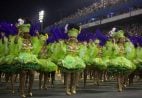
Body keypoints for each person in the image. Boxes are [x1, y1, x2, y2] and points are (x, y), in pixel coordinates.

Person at [61, 24, 85, 95]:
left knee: (75, 75)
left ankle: (73, 88)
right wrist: (61, 44)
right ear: (69, 37)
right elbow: (63, 52)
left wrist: (83, 46)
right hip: (68, 60)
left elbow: (81, 54)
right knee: (68, 75)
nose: (73, 38)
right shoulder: (66, 44)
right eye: (71, 37)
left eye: (74, 37)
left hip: (76, 60)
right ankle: (67, 89)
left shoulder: (79, 45)